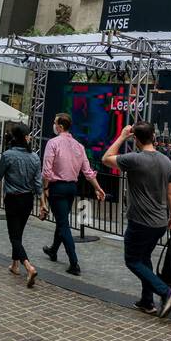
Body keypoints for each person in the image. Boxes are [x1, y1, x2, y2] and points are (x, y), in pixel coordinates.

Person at [103, 122, 171, 315]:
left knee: (132, 260)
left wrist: (121, 137)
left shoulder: (134, 159)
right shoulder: (166, 161)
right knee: (144, 258)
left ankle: (165, 291)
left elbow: (106, 158)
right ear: (153, 136)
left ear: (135, 139)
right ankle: (147, 301)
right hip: (160, 222)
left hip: (140, 222)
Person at [41, 113, 106, 276]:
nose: (53, 125)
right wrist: (98, 188)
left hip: (57, 188)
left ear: (60, 126)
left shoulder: (53, 143)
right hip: (71, 188)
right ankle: (53, 250)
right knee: (62, 220)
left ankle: (74, 263)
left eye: (55, 122)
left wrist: (45, 188)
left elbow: (47, 170)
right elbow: (88, 172)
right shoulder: (79, 146)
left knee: (63, 224)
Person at [0, 123, 43, 288]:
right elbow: (38, 183)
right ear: (25, 137)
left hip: (12, 199)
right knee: (18, 234)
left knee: (14, 236)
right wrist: (42, 202)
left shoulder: (8, 155)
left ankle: (28, 266)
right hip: (27, 200)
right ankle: (14, 265)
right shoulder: (34, 157)